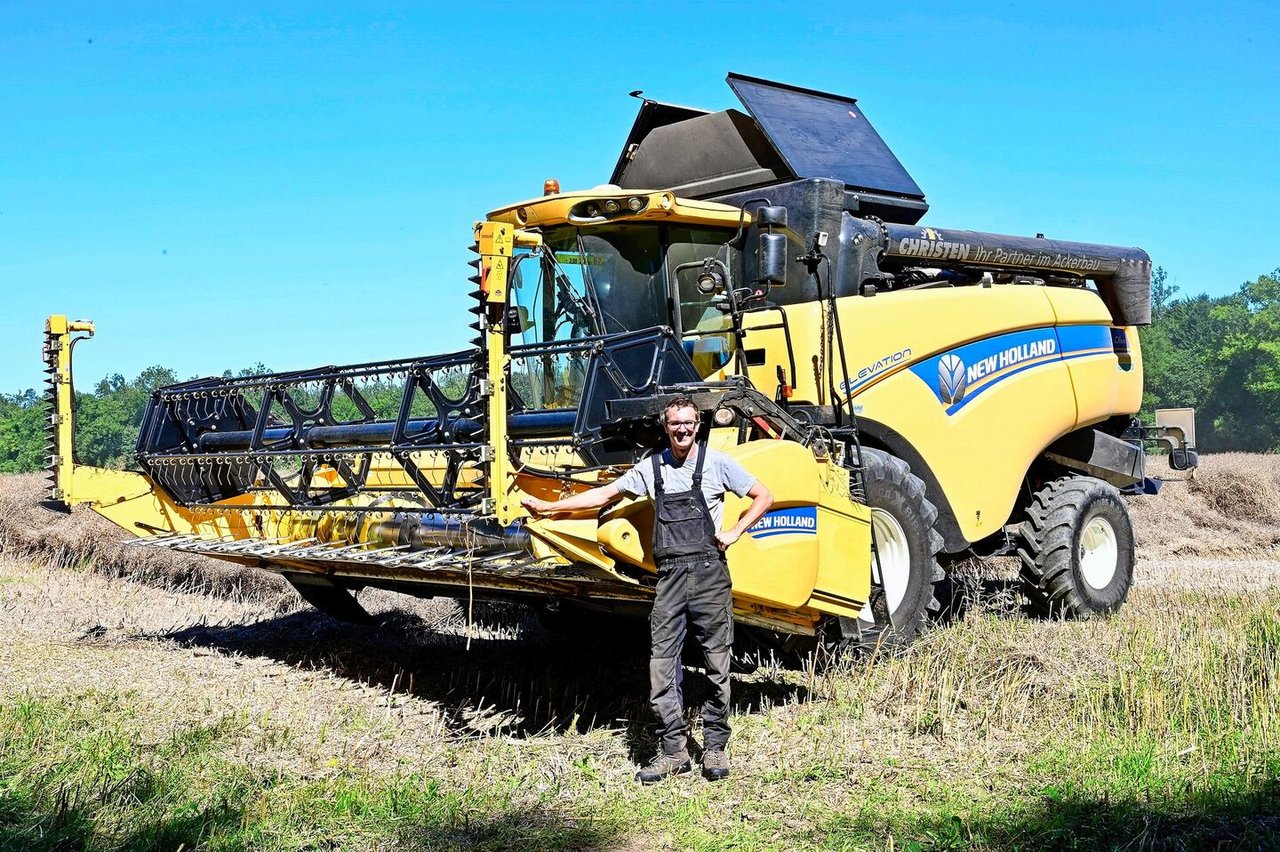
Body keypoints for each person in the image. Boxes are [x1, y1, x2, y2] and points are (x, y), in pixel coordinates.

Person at [522, 396, 773, 783]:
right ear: (665, 426)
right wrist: (549, 508)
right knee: (661, 665)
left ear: (698, 425)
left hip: (709, 575)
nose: (683, 429)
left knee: (717, 664)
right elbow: (605, 495)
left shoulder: (717, 463)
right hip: (669, 578)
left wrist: (735, 531)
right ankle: (674, 750)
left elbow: (764, 495)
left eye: (689, 422)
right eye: (675, 424)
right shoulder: (652, 467)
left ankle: (715, 746)